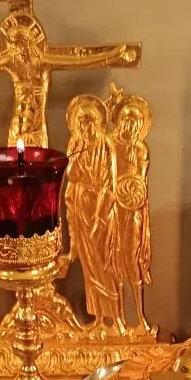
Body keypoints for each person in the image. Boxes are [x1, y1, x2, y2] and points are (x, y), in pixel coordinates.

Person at [64, 95, 121, 330]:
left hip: (101, 208)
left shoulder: (106, 145)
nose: (85, 128)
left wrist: (99, 216)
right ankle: (98, 318)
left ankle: (115, 319)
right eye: (81, 123)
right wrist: (78, 153)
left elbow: (110, 184)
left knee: (105, 263)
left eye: (89, 122)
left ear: (97, 122)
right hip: (81, 206)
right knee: (89, 267)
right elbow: (72, 175)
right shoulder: (76, 145)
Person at [107, 88, 154, 333]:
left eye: (136, 122)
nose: (130, 126)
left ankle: (140, 317)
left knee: (131, 259)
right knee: (114, 260)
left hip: (133, 209)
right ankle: (119, 320)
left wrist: (131, 196)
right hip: (112, 210)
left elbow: (140, 182)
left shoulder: (141, 149)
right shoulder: (110, 145)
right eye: (126, 119)